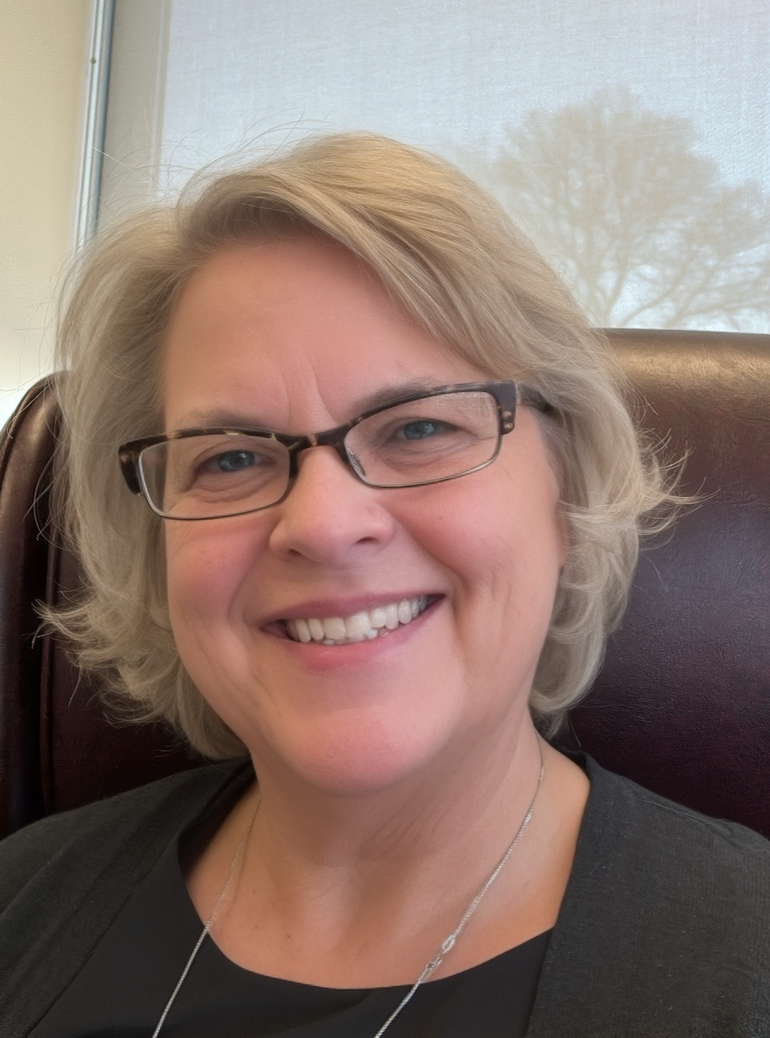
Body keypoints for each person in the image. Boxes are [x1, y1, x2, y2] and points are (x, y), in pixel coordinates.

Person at [1, 132, 768, 1038]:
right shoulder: (21, 902)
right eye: (233, 458)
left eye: (417, 430)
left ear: (568, 495)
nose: (325, 525)